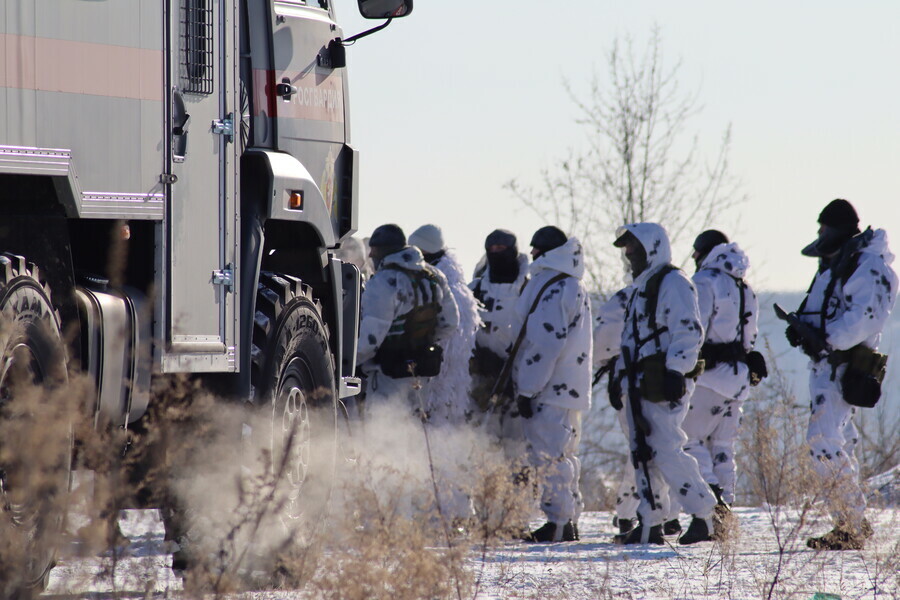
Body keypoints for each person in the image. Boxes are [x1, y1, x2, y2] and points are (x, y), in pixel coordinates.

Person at [782, 199, 897, 550]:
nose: (820, 235)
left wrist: (826, 339)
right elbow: (825, 309)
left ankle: (851, 522)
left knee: (823, 440)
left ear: (840, 228)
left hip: (844, 364)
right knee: (840, 441)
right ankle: (850, 520)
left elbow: (864, 319)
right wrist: (803, 329)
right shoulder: (837, 264)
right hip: (827, 364)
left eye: (824, 228)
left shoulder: (867, 267)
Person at [606, 222, 718, 545]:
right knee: (643, 452)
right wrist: (618, 379)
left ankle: (706, 516)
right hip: (639, 381)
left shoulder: (673, 282)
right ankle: (650, 523)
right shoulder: (643, 287)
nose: (628, 255)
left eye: (633, 248)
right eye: (627, 250)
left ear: (651, 248)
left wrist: (676, 371)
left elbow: (689, 330)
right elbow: (628, 340)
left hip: (660, 381)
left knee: (666, 449)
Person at [512, 226, 592, 543]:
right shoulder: (571, 285)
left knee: (548, 457)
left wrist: (527, 389)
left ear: (546, 252)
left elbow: (546, 344)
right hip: (567, 388)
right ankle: (567, 519)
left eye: (536, 248)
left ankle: (558, 522)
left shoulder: (553, 286)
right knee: (564, 455)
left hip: (549, 387)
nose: (531, 254)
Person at [677, 230, 761, 530]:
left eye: (696, 251)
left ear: (705, 252)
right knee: (722, 447)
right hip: (738, 378)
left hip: (709, 378)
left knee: (686, 440)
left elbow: (693, 329)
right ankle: (723, 520)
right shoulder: (745, 288)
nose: (694, 257)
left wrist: (683, 362)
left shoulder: (704, 282)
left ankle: (714, 507)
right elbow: (749, 337)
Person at [356, 224, 459, 410]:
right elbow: (451, 323)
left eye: (374, 249)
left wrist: (349, 364)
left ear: (385, 250)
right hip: (422, 372)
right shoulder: (434, 276)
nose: (370, 255)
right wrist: (421, 341)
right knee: (414, 429)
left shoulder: (384, 281)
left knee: (385, 433)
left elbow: (370, 339)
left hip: (387, 375)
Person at [408, 224, 481, 424]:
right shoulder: (448, 284)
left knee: (436, 428)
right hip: (439, 379)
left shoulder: (447, 289)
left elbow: (448, 344)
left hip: (438, 380)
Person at [468, 229, 530, 417]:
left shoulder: (529, 290)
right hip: (479, 380)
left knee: (514, 443)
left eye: (501, 248)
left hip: (517, 378)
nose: (496, 253)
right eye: (491, 249)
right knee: (479, 440)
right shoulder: (475, 289)